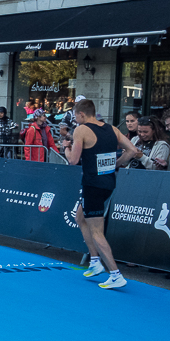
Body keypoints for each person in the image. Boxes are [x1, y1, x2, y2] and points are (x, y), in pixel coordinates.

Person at [64, 99, 139, 290]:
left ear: (81, 114)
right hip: (108, 183)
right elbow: (132, 150)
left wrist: (66, 147)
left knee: (96, 230)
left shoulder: (81, 130)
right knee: (80, 217)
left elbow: (73, 160)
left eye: (76, 116)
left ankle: (115, 274)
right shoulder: (112, 129)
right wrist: (117, 163)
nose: (76, 120)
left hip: (92, 184)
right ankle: (95, 261)